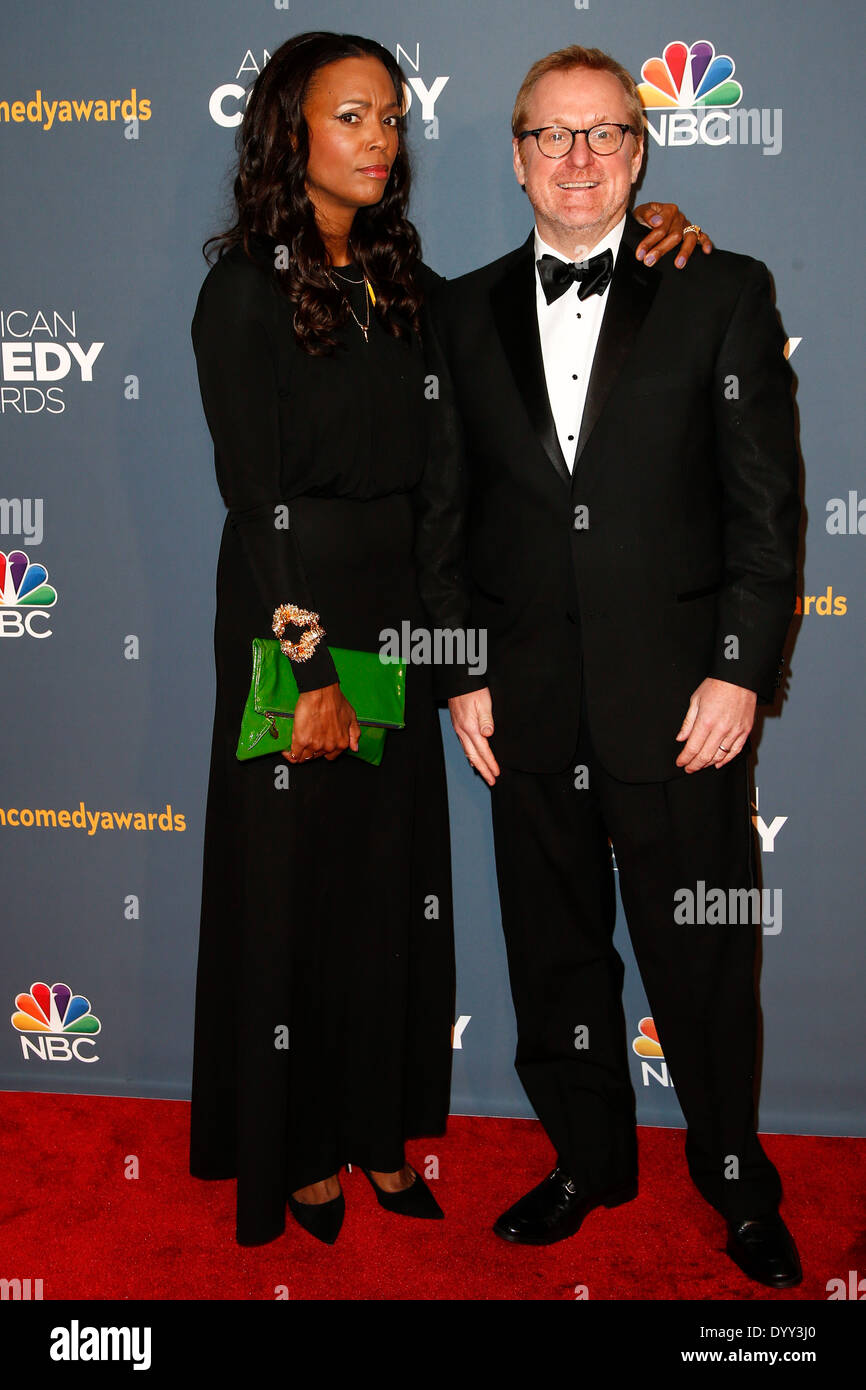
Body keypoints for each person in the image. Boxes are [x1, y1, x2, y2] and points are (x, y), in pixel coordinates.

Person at [189, 29, 709, 1249]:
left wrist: (651, 235)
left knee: (382, 888)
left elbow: (451, 462)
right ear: (288, 133)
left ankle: (375, 1132)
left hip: (398, 619)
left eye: (388, 118)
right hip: (296, 611)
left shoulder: (397, 275)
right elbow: (251, 496)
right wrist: (310, 669)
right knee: (296, 887)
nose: (379, 140)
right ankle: (301, 1150)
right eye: (350, 118)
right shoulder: (244, 288)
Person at [433, 46, 802, 1288]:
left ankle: (735, 1175)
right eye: (551, 136)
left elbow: (765, 508)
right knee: (553, 956)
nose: (577, 160)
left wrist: (739, 669)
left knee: (702, 960)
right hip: (523, 695)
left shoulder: (720, 291)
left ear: (639, 152)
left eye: (602, 136)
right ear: (519, 154)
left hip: (680, 702)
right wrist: (457, 671)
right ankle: (587, 1157)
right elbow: (445, 513)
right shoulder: (457, 310)